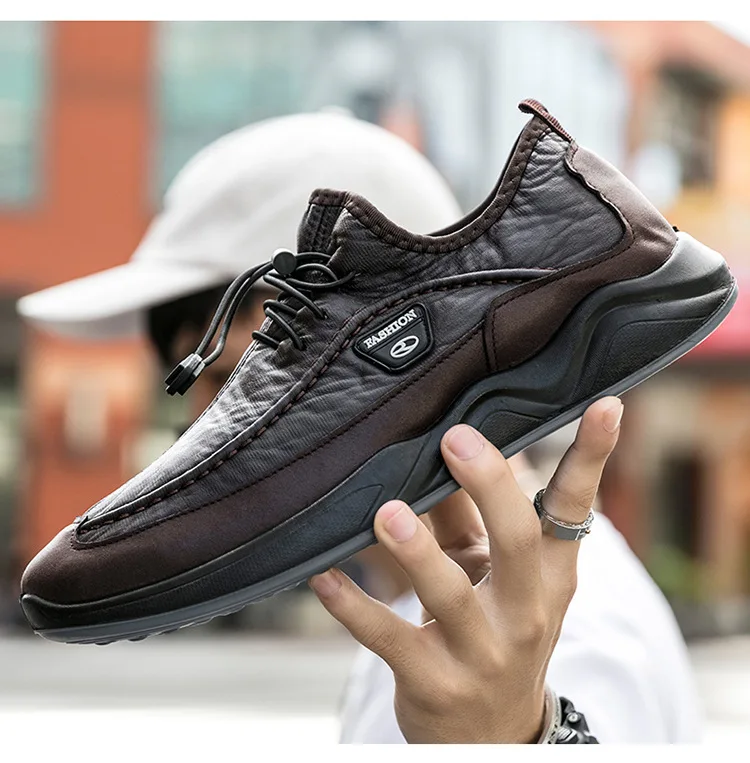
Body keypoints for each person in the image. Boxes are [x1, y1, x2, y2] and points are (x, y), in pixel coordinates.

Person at [19, 109, 701, 743]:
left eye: (230, 377)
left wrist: (521, 734)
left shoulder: (556, 623)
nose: (204, 425)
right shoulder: (434, 603)